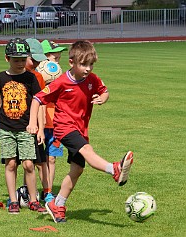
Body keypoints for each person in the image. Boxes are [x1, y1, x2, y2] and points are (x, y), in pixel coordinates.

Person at [27, 40, 134, 223]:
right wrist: (32, 123)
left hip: (81, 128)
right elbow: (37, 99)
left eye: (91, 64)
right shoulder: (61, 82)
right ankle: (113, 169)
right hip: (64, 127)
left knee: (77, 169)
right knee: (87, 150)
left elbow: (105, 91)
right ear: (71, 62)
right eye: (83, 64)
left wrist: (102, 98)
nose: (88, 69)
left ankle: (57, 205)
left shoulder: (92, 79)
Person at [0, 38, 46, 214]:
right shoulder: (1, 77)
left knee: (29, 165)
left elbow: (39, 103)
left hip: (26, 129)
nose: (21, 63)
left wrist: (41, 129)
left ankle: (33, 200)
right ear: (7, 58)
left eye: (23, 59)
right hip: (6, 128)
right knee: (11, 164)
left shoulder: (31, 77)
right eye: (16, 60)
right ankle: (13, 201)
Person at [24, 38, 55, 203]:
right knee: (24, 162)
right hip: (18, 124)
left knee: (41, 161)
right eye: (33, 59)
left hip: (34, 126)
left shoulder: (38, 76)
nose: (36, 63)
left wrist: (41, 128)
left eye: (38, 60)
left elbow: (41, 103)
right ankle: (26, 192)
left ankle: (47, 191)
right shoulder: (12, 74)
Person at [39, 40, 67, 199]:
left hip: (55, 123)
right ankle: (32, 190)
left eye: (58, 59)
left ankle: (48, 191)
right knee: (36, 160)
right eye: (54, 59)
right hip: (39, 123)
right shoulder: (36, 78)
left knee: (51, 158)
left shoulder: (60, 78)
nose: (57, 62)